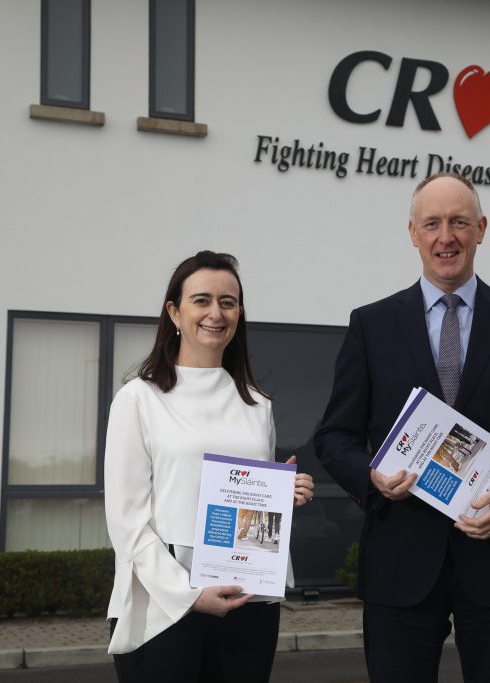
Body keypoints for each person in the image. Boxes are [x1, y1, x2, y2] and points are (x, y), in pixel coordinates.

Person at [315, 173, 490, 683]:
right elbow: (334, 437)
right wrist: (370, 477)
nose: (446, 237)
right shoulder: (371, 325)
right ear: (412, 233)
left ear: (481, 229)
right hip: (401, 563)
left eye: (459, 222)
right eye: (432, 224)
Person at [104, 250, 315, 682]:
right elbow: (126, 523)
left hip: (248, 599)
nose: (215, 313)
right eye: (201, 300)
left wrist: (285, 495)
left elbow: (252, 503)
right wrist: (188, 594)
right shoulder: (138, 400)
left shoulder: (256, 404)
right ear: (174, 312)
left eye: (228, 302)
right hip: (164, 606)